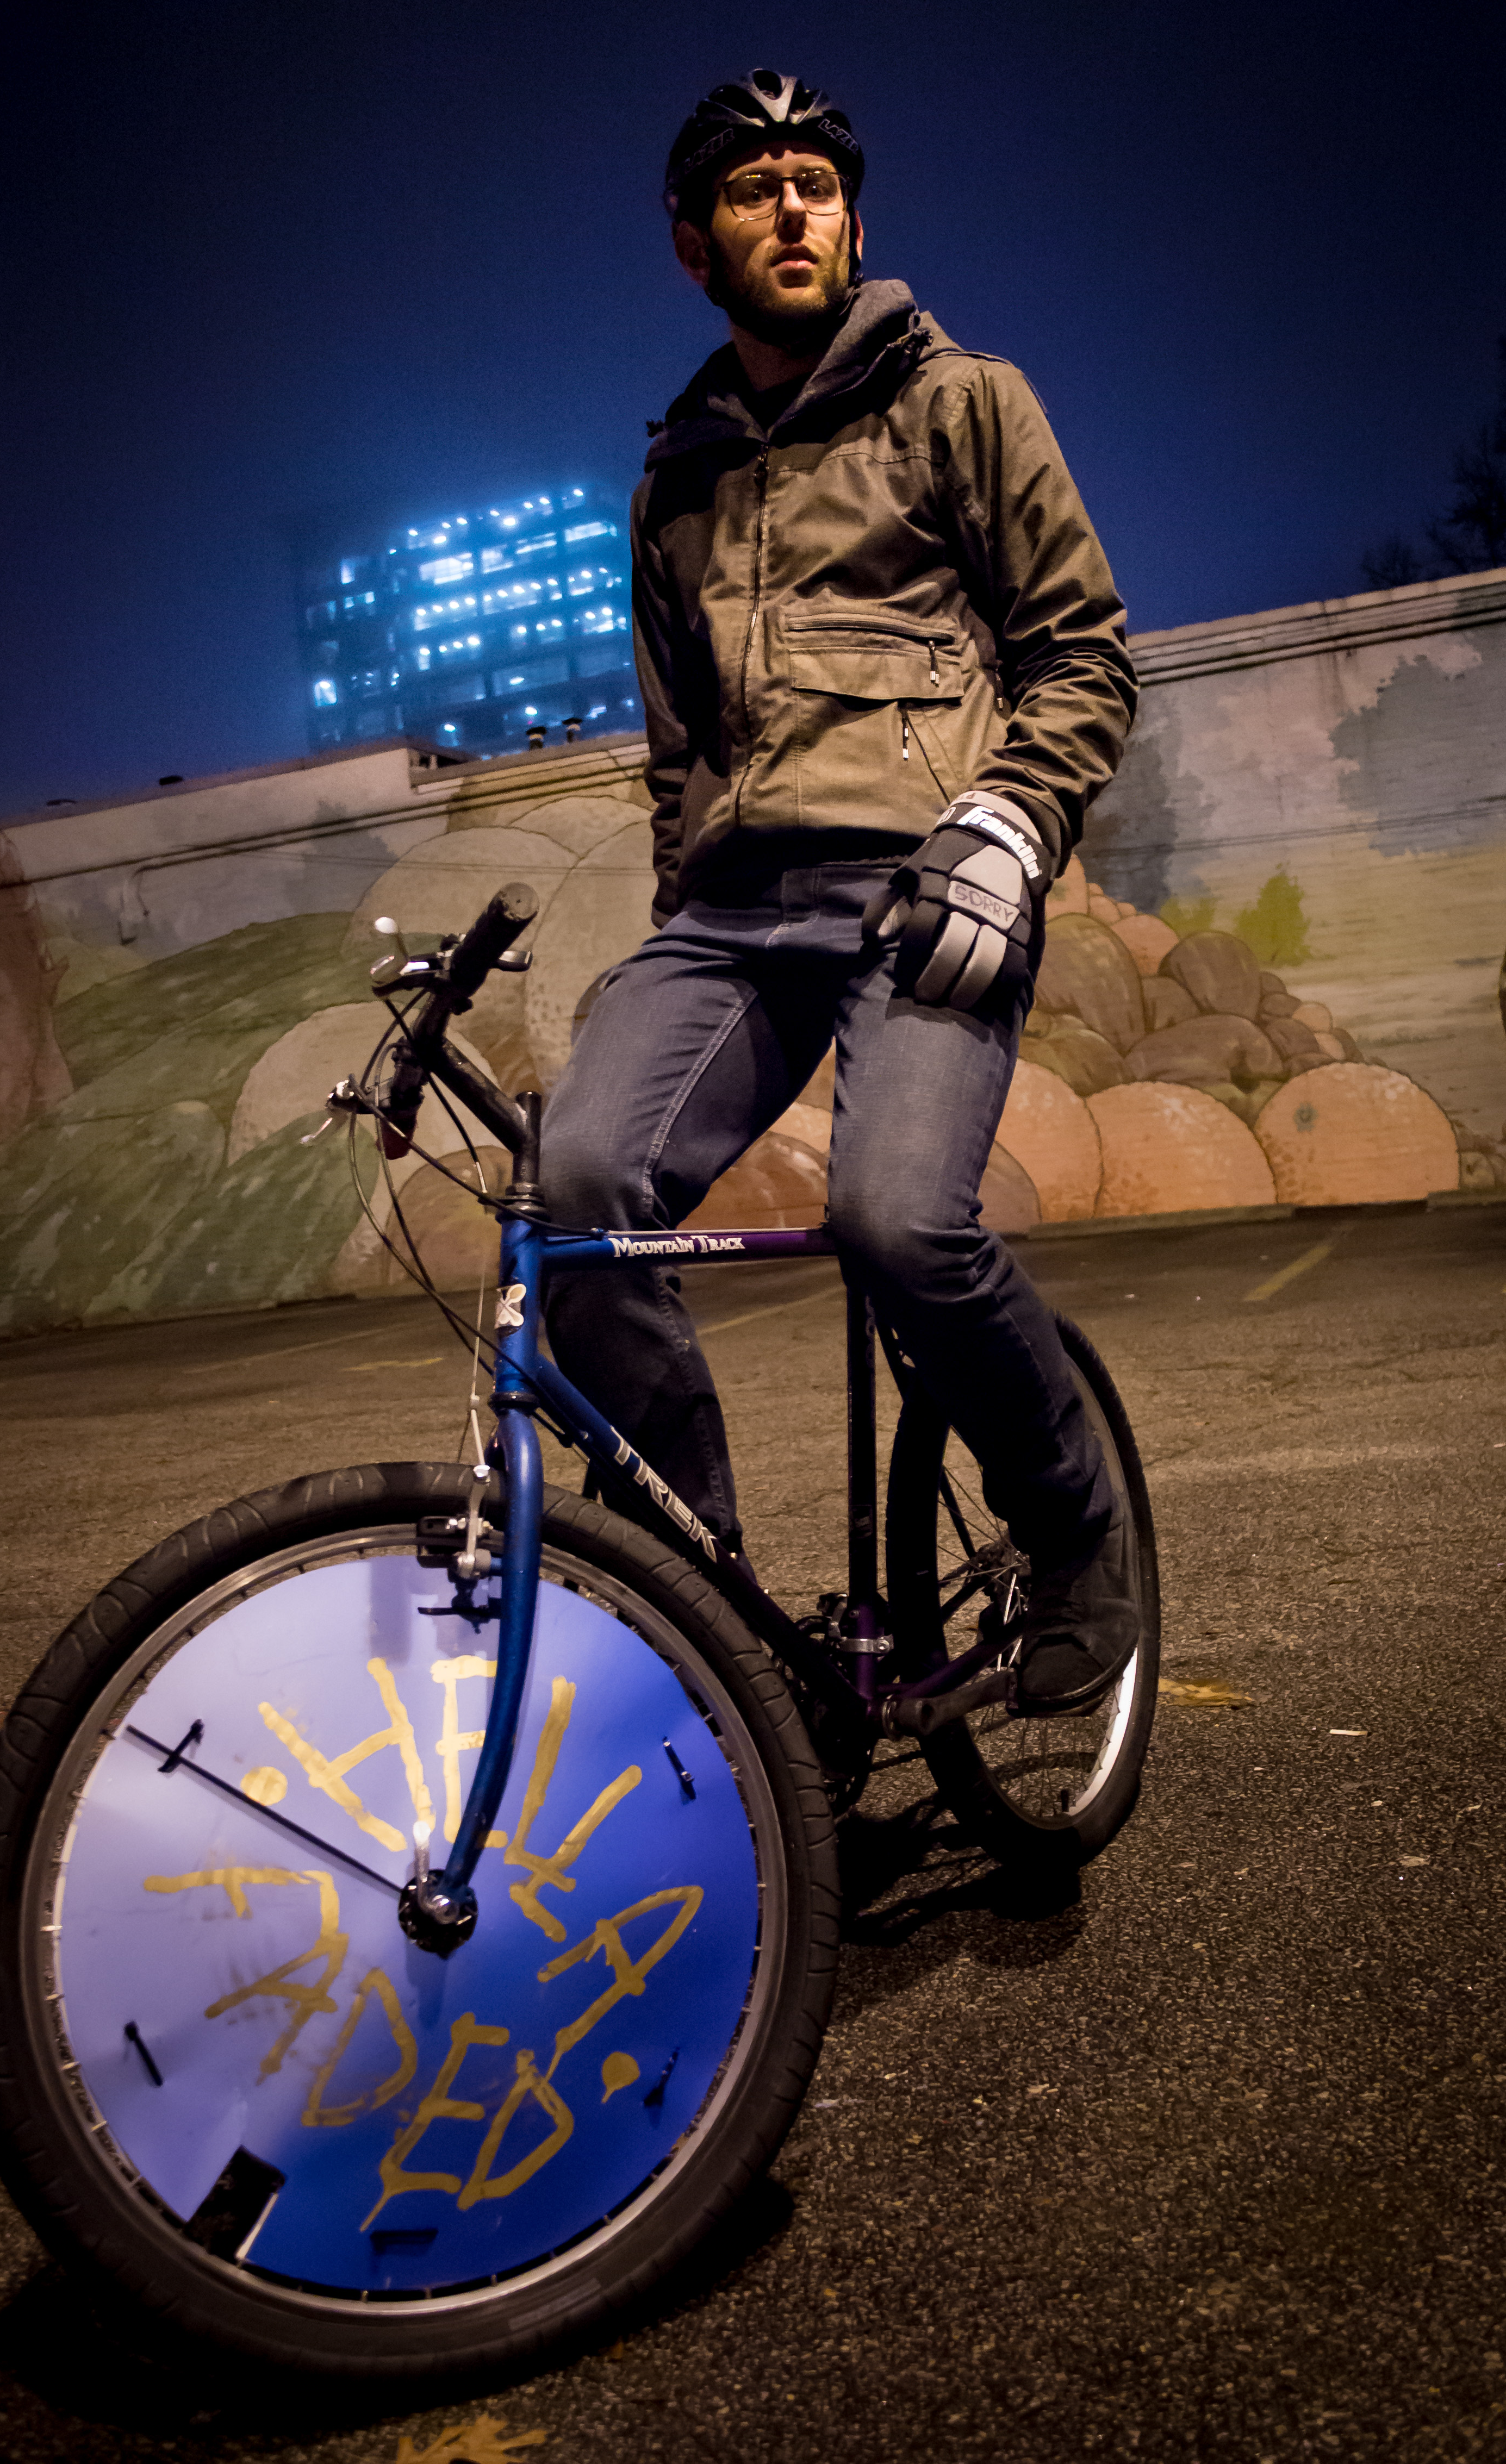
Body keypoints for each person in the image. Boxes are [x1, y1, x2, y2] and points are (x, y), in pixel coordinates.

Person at [540, 70, 1140, 1713]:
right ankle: (695, 1597)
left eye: (816, 181)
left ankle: (1077, 1528)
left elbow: (1083, 655)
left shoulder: (963, 404)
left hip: (928, 890)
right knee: (574, 1199)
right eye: (754, 189)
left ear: (853, 220)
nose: (793, 206)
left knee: (897, 1223)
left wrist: (1014, 826)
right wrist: (675, 926)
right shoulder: (673, 484)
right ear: (696, 245)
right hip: (732, 916)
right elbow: (679, 755)